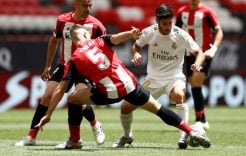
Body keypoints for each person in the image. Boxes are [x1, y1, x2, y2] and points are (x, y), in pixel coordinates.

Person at [35, 24, 211, 149]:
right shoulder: (100, 41)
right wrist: (132, 33)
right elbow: (118, 38)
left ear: (74, 41)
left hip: (110, 93)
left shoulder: (73, 60)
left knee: (74, 99)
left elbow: (60, 89)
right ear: (86, 35)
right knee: (158, 109)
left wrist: (49, 114)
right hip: (130, 84)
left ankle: (74, 140)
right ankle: (191, 131)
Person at [15, 0, 106, 147]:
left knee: (79, 100)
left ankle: (95, 124)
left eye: (90, 5)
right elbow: (54, 41)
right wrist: (48, 65)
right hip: (65, 65)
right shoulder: (63, 20)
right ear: (75, 4)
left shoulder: (97, 25)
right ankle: (31, 136)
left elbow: (105, 48)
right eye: (84, 5)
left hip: (84, 69)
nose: (88, 9)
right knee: (47, 96)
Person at [112, 4, 205, 149]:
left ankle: (183, 135)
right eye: (164, 23)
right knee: (125, 107)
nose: (168, 26)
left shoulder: (180, 35)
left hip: (174, 77)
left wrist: (197, 64)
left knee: (179, 95)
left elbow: (199, 52)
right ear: (157, 21)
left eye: (170, 23)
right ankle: (127, 136)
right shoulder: (150, 32)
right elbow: (136, 46)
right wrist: (135, 53)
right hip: (153, 80)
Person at [175, 0, 224, 130]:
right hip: (187, 54)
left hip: (204, 53)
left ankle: (201, 120)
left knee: (196, 81)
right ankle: (200, 117)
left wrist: (214, 48)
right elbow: (175, 32)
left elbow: (219, 31)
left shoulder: (207, 12)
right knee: (192, 84)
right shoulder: (181, 12)